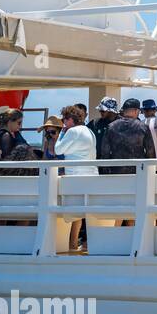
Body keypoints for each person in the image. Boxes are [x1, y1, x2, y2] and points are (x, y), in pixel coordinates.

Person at [56, 105, 98, 251]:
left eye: (64, 120)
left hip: (75, 177)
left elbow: (58, 150)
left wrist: (61, 133)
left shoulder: (72, 131)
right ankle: (75, 244)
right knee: (82, 213)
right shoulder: (89, 131)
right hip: (91, 176)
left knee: (73, 213)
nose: (63, 123)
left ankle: (71, 244)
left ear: (70, 119)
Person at [97, 98, 156, 176]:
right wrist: (150, 173)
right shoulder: (143, 127)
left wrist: (106, 172)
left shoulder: (111, 127)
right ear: (136, 111)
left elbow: (105, 152)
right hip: (138, 172)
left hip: (116, 172)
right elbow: (150, 152)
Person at [88, 97, 119, 165]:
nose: (100, 112)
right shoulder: (95, 123)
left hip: (117, 164)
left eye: (103, 110)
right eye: (100, 110)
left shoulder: (122, 124)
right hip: (99, 163)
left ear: (111, 111)